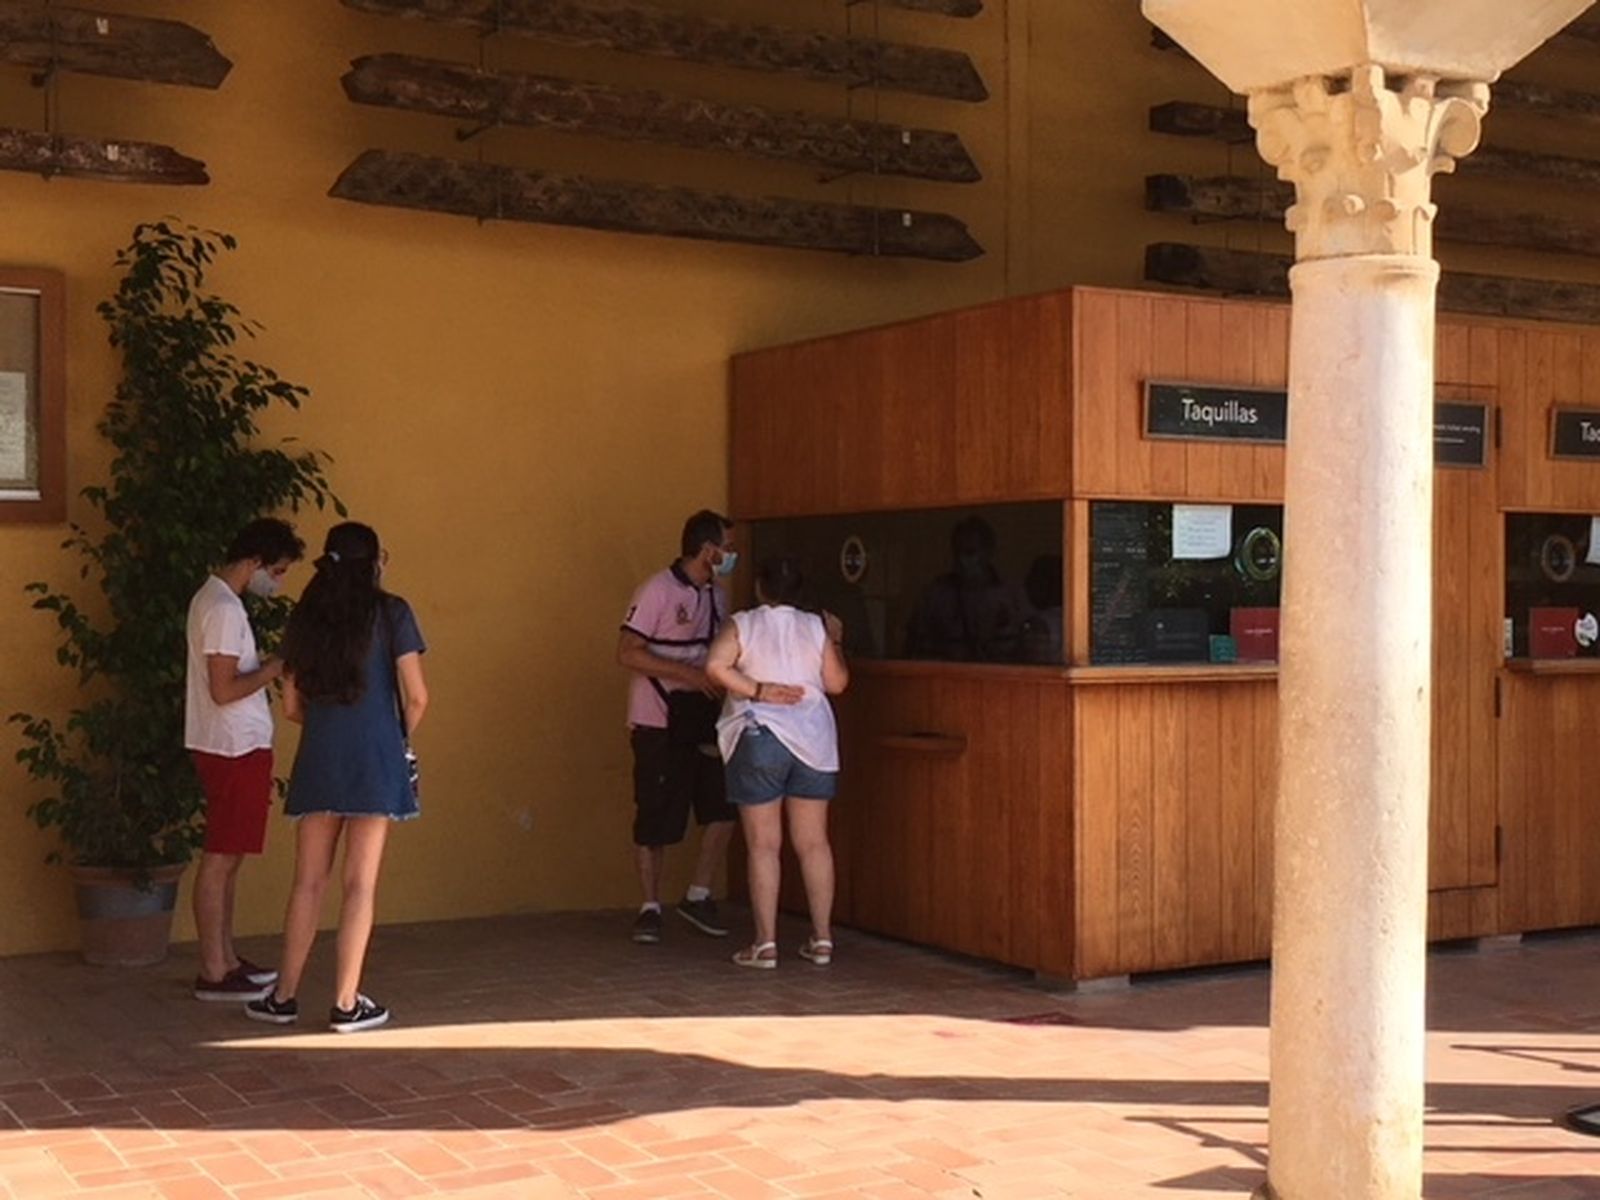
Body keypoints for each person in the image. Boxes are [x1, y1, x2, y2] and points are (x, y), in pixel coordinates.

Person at [245, 522, 427, 1033]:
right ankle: (346, 1003)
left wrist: (330, 726)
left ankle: (283, 996)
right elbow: (417, 697)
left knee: (307, 883)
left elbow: (293, 705)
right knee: (359, 886)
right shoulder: (393, 613)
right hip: (375, 760)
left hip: (320, 757)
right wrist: (392, 734)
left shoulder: (307, 616)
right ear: (375, 562)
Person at [705, 556, 849, 969]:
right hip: (814, 740)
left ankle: (765, 944)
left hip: (760, 735)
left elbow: (715, 666)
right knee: (814, 843)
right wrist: (835, 639)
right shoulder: (816, 627)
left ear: (760, 588)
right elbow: (837, 683)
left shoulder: (743, 623)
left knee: (764, 845)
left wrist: (757, 689)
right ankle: (822, 939)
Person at [186, 517, 305, 1002]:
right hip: (230, 746)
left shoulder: (220, 603)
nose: (276, 581)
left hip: (235, 745)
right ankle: (215, 969)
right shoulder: (221, 609)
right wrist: (275, 666)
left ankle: (227, 957)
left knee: (230, 857)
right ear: (253, 562)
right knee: (220, 858)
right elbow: (223, 688)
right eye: (275, 571)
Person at [616, 510, 738, 944]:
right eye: (727, 546)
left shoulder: (719, 597)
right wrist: (687, 675)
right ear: (709, 550)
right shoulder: (657, 591)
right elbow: (627, 652)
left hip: (705, 720)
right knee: (654, 815)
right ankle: (650, 906)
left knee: (724, 804)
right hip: (658, 720)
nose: (731, 555)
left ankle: (698, 892)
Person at [905, 515, 1031, 661]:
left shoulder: (1013, 595)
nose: (962, 560)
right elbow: (913, 645)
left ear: (989, 552)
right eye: (957, 552)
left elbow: (1029, 646)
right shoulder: (935, 595)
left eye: (970, 552)